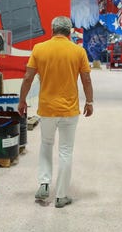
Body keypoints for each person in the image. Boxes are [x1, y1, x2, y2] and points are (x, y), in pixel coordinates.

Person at [18, 16, 94, 208]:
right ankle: (61, 195)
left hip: (47, 109)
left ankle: (44, 183)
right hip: (69, 110)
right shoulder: (78, 51)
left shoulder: (39, 49)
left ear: (52, 30)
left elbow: (27, 78)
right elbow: (86, 80)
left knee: (46, 144)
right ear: (70, 32)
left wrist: (22, 100)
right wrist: (90, 101)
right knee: (66, 151)